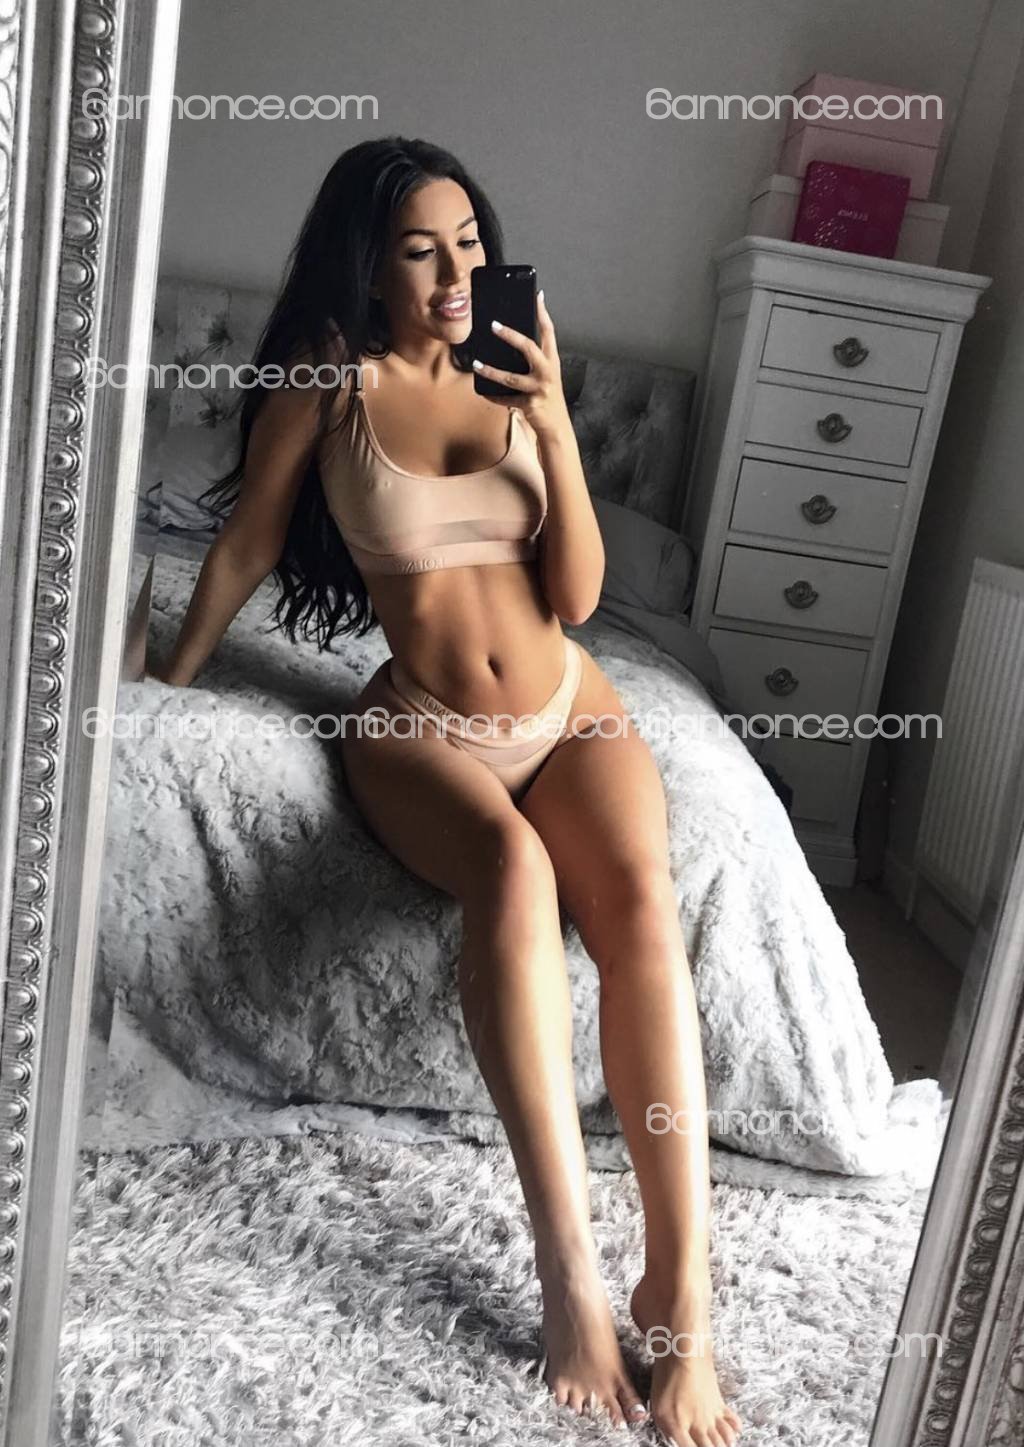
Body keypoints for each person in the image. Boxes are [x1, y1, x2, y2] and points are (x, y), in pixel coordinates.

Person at [153, 135, 742, 1446]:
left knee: (643, 906)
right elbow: (247, 541)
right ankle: (568, 1272)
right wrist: (173, 670)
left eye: (468, 244)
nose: (453, 275)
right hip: (421, 725)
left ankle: (679, 1291)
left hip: (569, 704)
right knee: (514, 872)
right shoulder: (331, 380)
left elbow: (577, 596)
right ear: (369, 265)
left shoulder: (516, 368)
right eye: (420, 252)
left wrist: (554, 423)